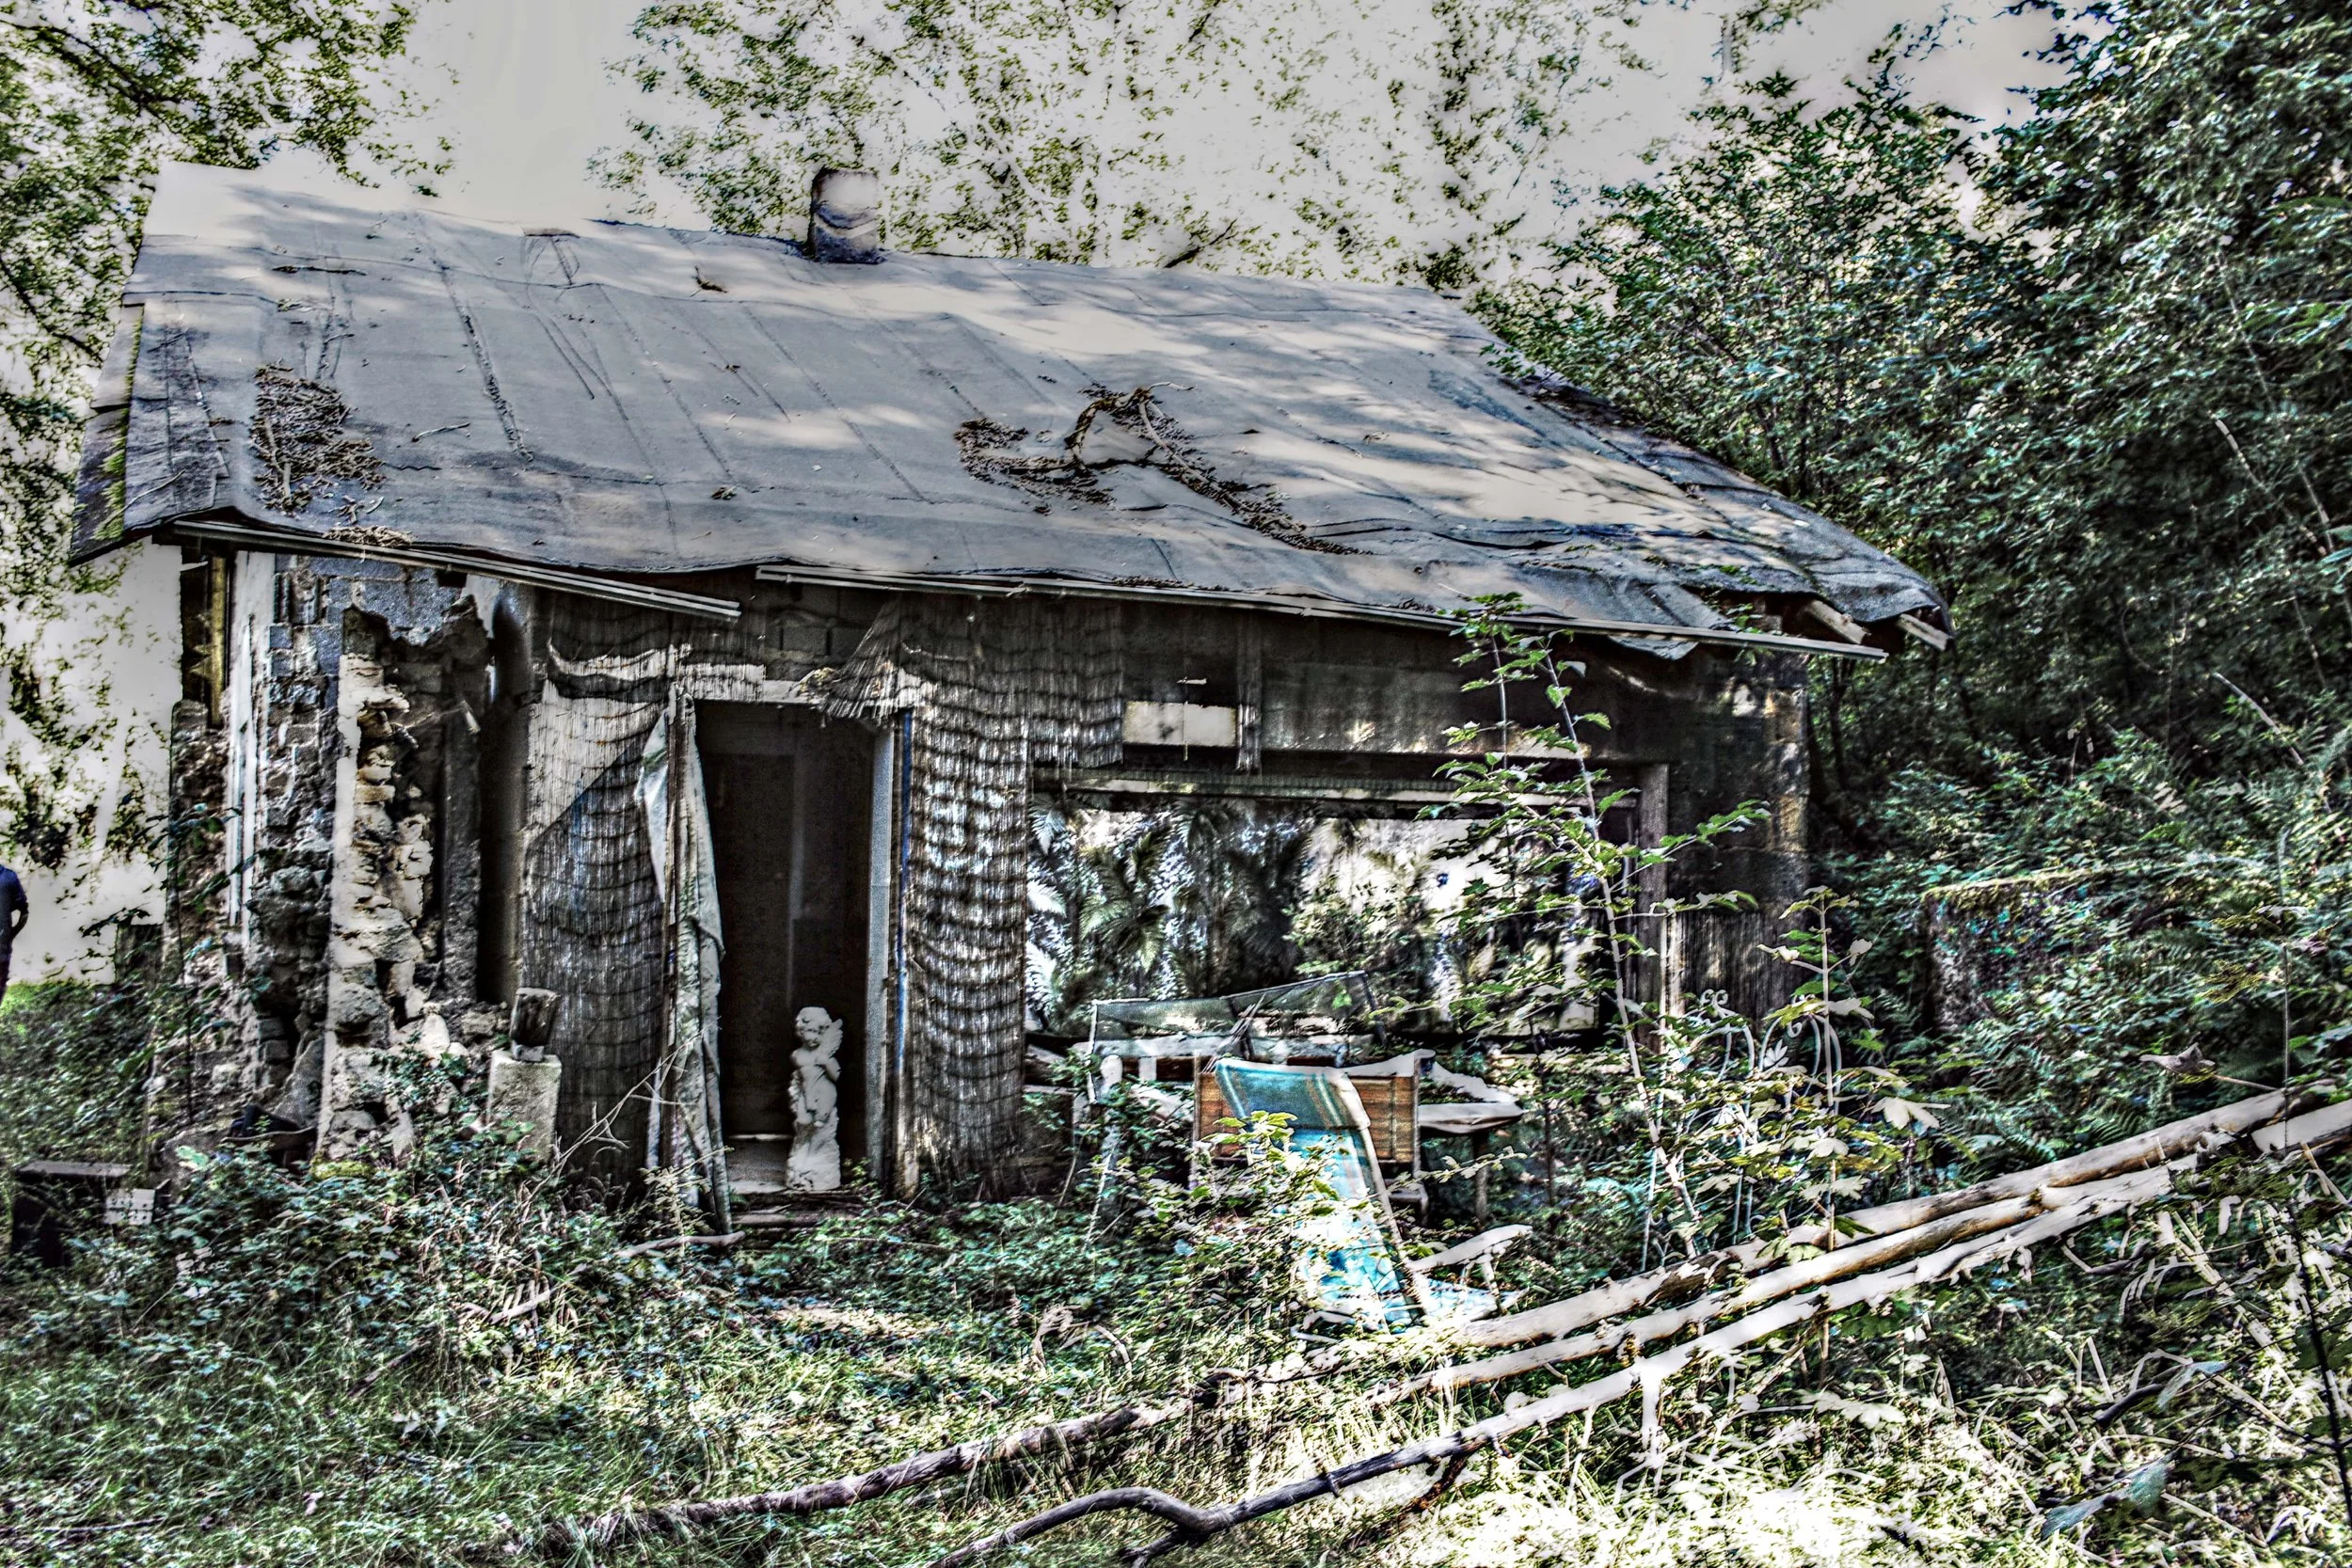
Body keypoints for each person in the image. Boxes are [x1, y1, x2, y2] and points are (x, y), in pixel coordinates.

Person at [0, 863, 25, 991]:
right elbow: (24, 911)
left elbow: (23, 911)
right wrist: (12, 933)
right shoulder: (9, 876)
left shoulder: (9, 877)